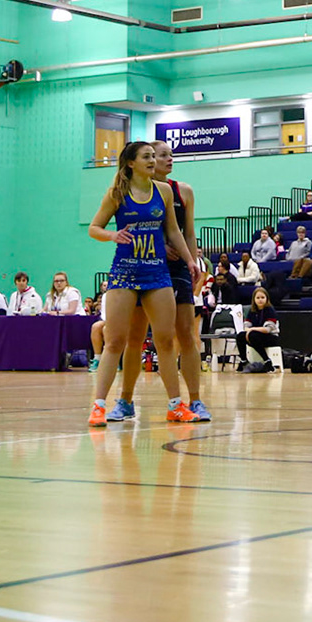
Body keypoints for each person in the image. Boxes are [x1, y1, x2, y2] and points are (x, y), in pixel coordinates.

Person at [87, 140, 196, 426]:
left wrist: (190, 260)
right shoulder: (117, 193)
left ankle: (175, 405)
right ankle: (99, 405)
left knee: (165, 341)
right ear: (131, 163)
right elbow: (93, 228)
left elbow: (173, 230)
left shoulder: (163, 191)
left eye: (153, 156)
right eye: (146, 157)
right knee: (115, 341)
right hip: (125, 272)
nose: (152, 161)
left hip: (157, 273)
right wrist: (112, 236)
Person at [112, 140, 211, 421]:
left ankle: (195, 401)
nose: (166, 159)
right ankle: (125, 400)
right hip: (141, 266)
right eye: (158, 155)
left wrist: (194, 264)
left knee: (186, 335)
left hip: (176, 269)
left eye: (169, 155)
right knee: (135, 336)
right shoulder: (128, 190)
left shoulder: (182, 191)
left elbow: (187, 232)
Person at [237, 287, 283, 368]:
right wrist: (248, 330)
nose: (260, 300)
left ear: (266, 298)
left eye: (262, 297)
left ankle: (267, 360)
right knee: (240, 336)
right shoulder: (252, 310)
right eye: (258, 298)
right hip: (254, 335)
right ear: (254, 299)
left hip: (271, 337)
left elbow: (267, 329)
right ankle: (243, 360)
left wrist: (251, 330)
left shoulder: (270, 310)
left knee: (253, 335)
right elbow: (246, 325)